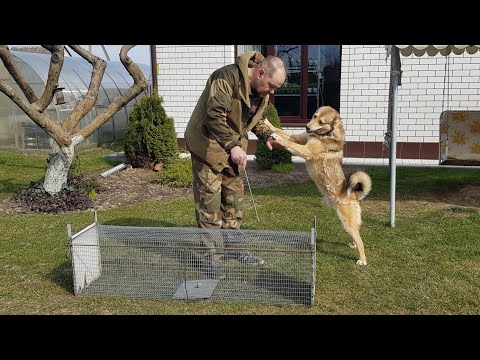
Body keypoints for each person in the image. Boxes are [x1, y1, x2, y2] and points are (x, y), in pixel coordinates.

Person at [185, 51, 287, 279]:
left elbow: (256, 119)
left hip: (233, 149)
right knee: (209, 205)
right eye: (271, 86)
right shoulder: (225, 78)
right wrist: (233, 146)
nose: (272, 92)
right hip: (207, 146)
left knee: (233, 201)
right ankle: (211, 260)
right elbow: (214, 117)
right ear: (260, 72)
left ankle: (236, 251)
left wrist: (267, 135)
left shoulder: (262, 92)